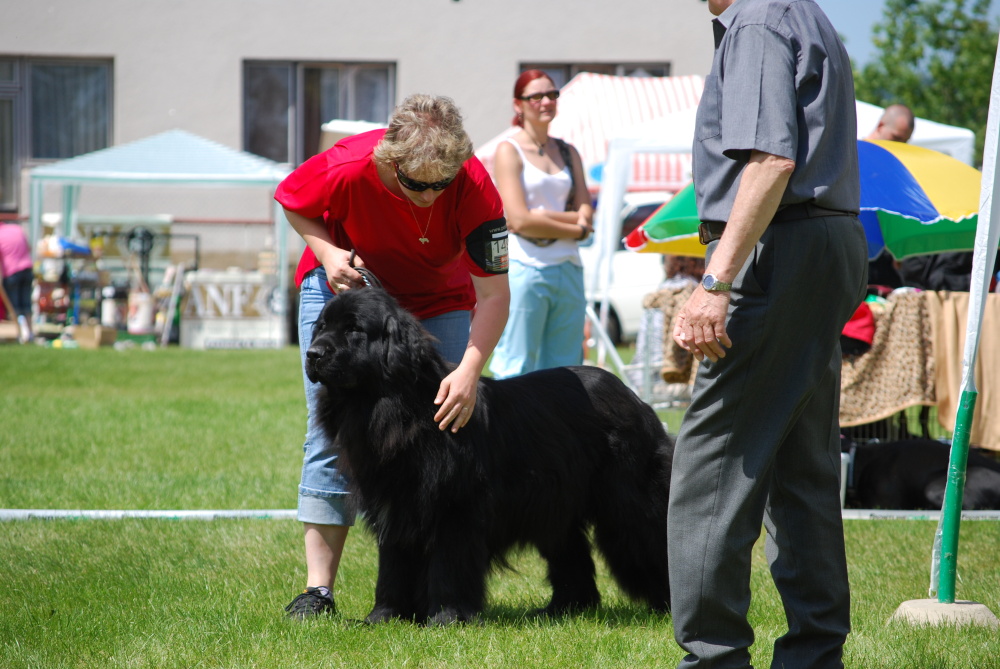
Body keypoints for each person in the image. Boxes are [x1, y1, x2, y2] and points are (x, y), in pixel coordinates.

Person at [667, 1, 869, 667]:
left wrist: (714, 283)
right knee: (801, 467)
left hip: (781, 245)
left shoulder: (756, 22)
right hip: (825, 239)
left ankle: (713, 656)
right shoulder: (801, 14)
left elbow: (772, 160)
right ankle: (815, 653)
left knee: (711, 462)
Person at [274, 94, 510, 619]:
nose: (429, 197)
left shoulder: (475, 186)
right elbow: (292, 200)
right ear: (390, 161)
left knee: (445, 433)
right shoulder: (347, 163)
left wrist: (471, 369)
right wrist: (330, 253)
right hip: (349, 292)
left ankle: (433, 591)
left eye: (440, 185)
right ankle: (319, 592)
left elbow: (494, 295)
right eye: (415, 184)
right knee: (332, 436)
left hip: (441, 299)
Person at [488, 70, 594, 378]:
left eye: (552, 94)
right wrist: (576, 227)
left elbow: (587, 210)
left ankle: (561, 428)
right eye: (536, 96)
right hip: (526, 268)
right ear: (518, 104)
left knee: (567, 370)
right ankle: (513, 429)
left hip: (569, 267)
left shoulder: (568, 151)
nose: (546, 102)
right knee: (517, 368)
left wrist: (544, 218)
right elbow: (518, 220)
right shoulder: (509, 149)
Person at [0, 219, 34, 344]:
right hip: (27, 268)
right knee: (26, 303)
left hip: (12, 271)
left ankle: (20, 334)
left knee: (15, 305)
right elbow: (29, 248)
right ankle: (30, 333)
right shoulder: (17, 229)